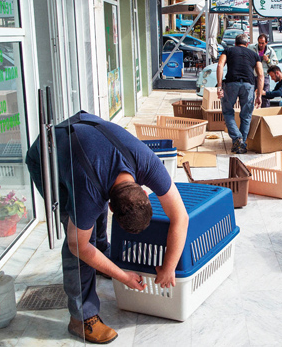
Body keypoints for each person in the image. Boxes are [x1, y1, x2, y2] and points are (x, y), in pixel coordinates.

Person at [26, 112, 188, 343]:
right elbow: (78, 246)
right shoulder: (88, 194)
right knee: (80, 241)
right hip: (47, 154)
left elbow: (180, 216)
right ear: (110, 207)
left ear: (144, 192)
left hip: (85, 139)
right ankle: (82, 318)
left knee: (91, 213)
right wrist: (122, 276)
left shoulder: (147, 162)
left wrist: (169, 266)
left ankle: (102, 259)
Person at [216, 34, 264, 154]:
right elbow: (261, 75)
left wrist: (219, 85)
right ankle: (241, 144)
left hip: (231, 83)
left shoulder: (228, 50)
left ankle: (238, 139)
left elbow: (220, 65)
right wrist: (259, 95)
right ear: (247, 44)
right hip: (249, 85)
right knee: (246, 115)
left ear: (235, 43)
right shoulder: (254, 55)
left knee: (228, 112)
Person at [250, 33, 279, 108]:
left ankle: (265, 110)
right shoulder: (252, 48)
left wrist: (268, 60)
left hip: (264, 76)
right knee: (251, 96)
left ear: (266, 43)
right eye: (259, 43)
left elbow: (275, 65)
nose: (261, 45)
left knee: (265, 96)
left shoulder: (270, 51)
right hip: (253, 75)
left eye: (263, 43)